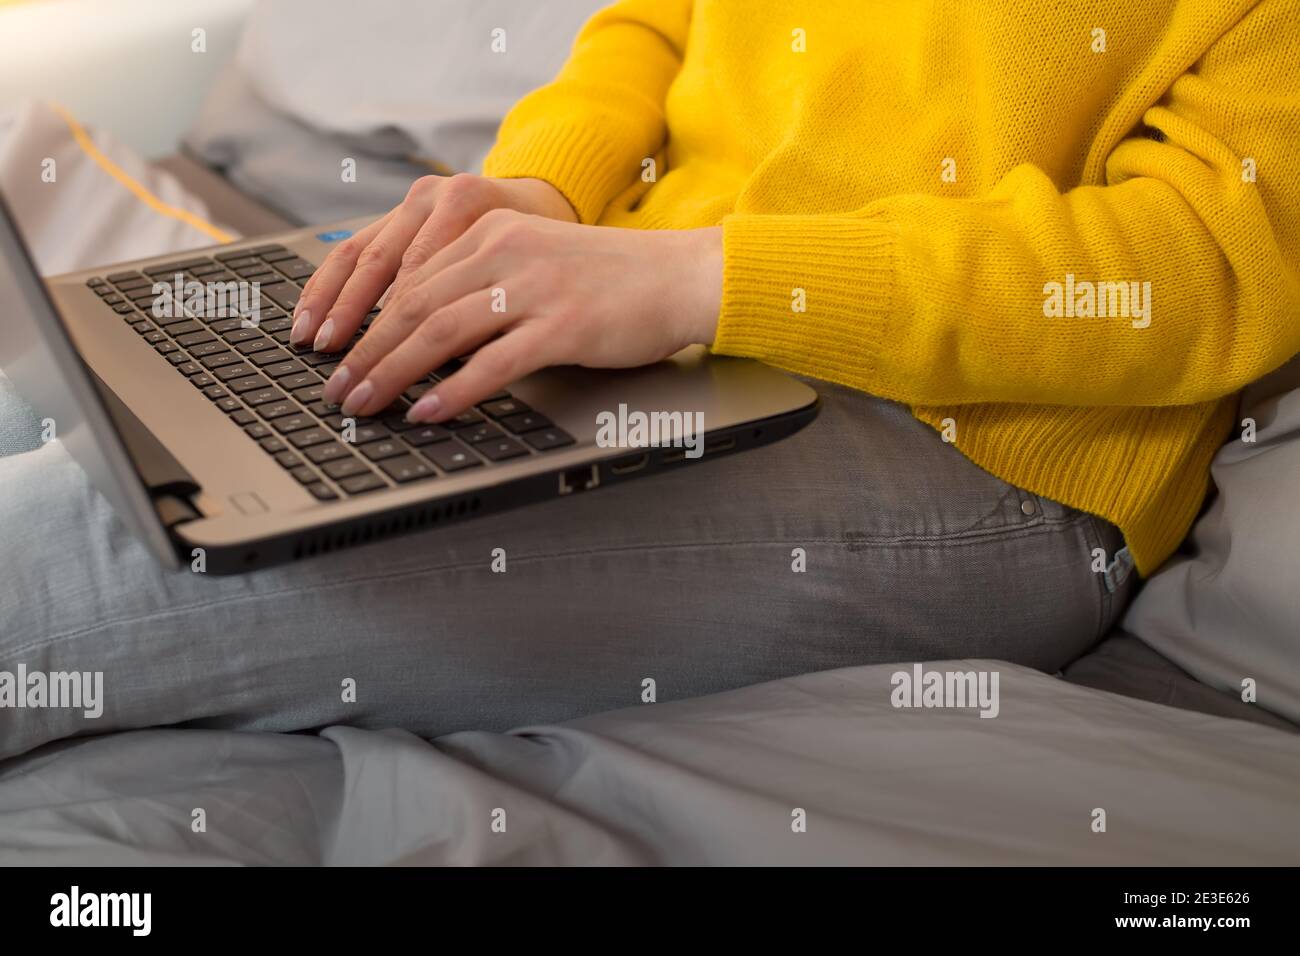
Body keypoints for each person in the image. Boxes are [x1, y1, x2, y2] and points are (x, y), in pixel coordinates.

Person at [2, 0, 1296, 760]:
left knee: (78, 557)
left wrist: (706, 279)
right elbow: (656, 23)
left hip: (976, 450)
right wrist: (544, 186)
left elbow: (1205, 268)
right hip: (645, 312)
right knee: (73, 414)